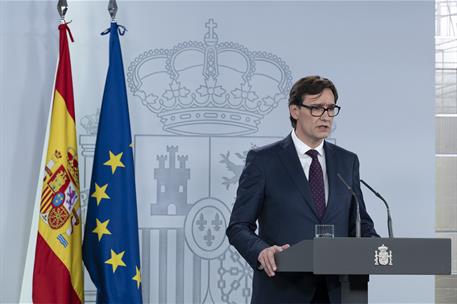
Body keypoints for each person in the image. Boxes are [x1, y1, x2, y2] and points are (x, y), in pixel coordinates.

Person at [226, 75, 378, 304]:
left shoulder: (348, 162)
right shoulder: (264, 161)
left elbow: (360, 222)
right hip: (284, 289)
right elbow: (238, 226)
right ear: (295, 110)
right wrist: (261, 251)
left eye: (330, 108)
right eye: (316, 108)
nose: (326, 116)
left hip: (340, 291)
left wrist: (376, 247)